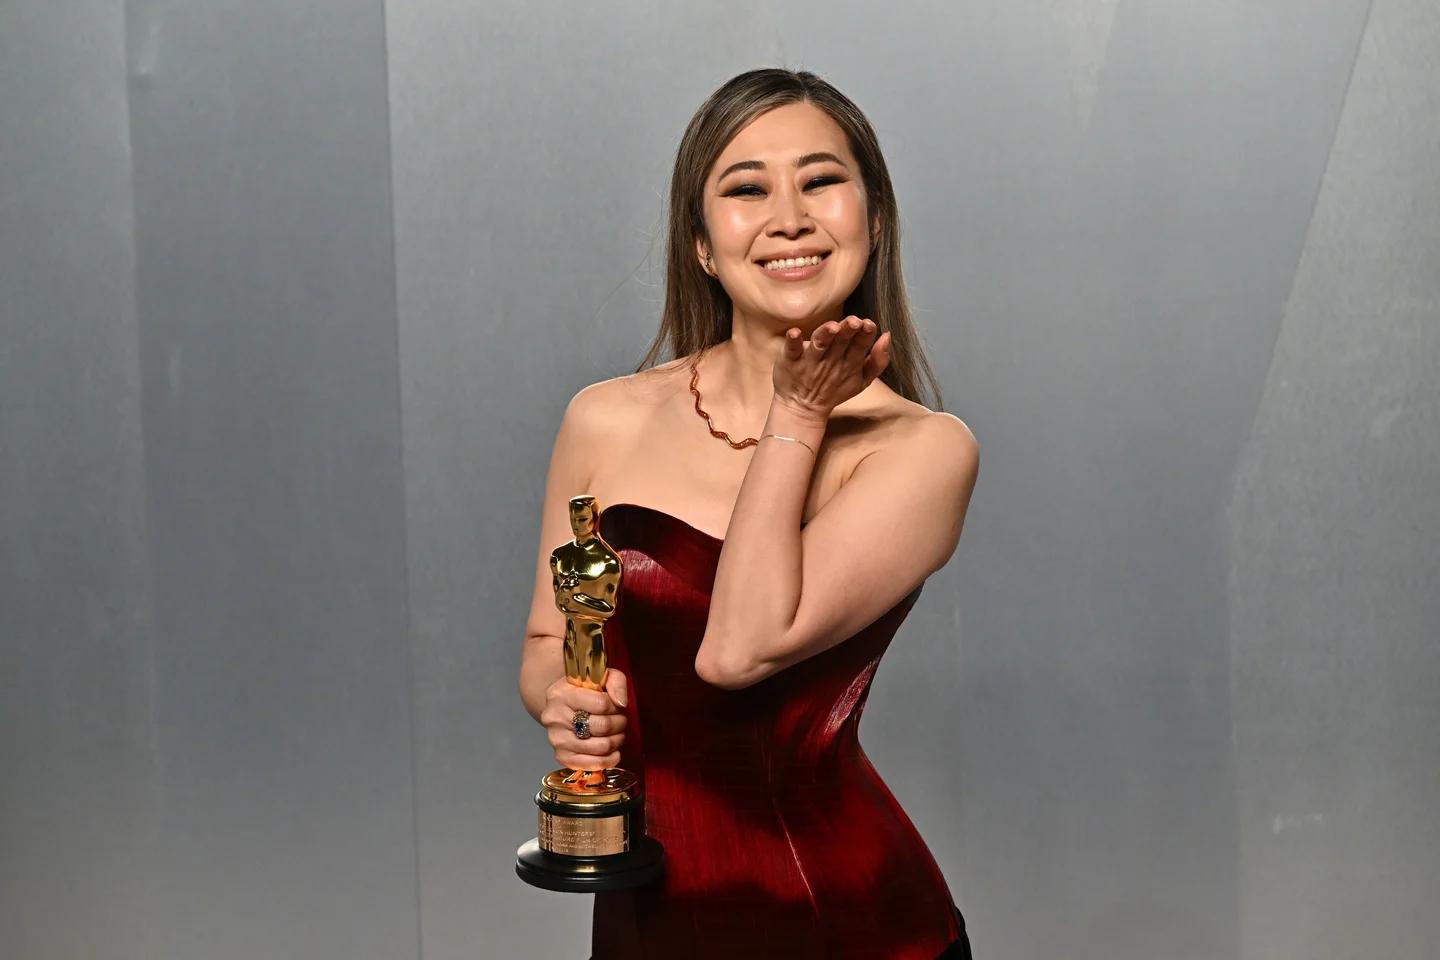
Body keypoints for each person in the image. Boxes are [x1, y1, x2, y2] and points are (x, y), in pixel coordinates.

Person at [517, 67, 980, 959]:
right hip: (647, 922)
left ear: (873, 220)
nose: (789, 217)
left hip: (852, 924)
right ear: (700, 242)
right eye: (745, 188)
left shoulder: (926, 451)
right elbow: (548, 646)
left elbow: (736, 651)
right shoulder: (602, 420)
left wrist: (798, 414)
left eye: (822, 180)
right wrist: (571, 708)